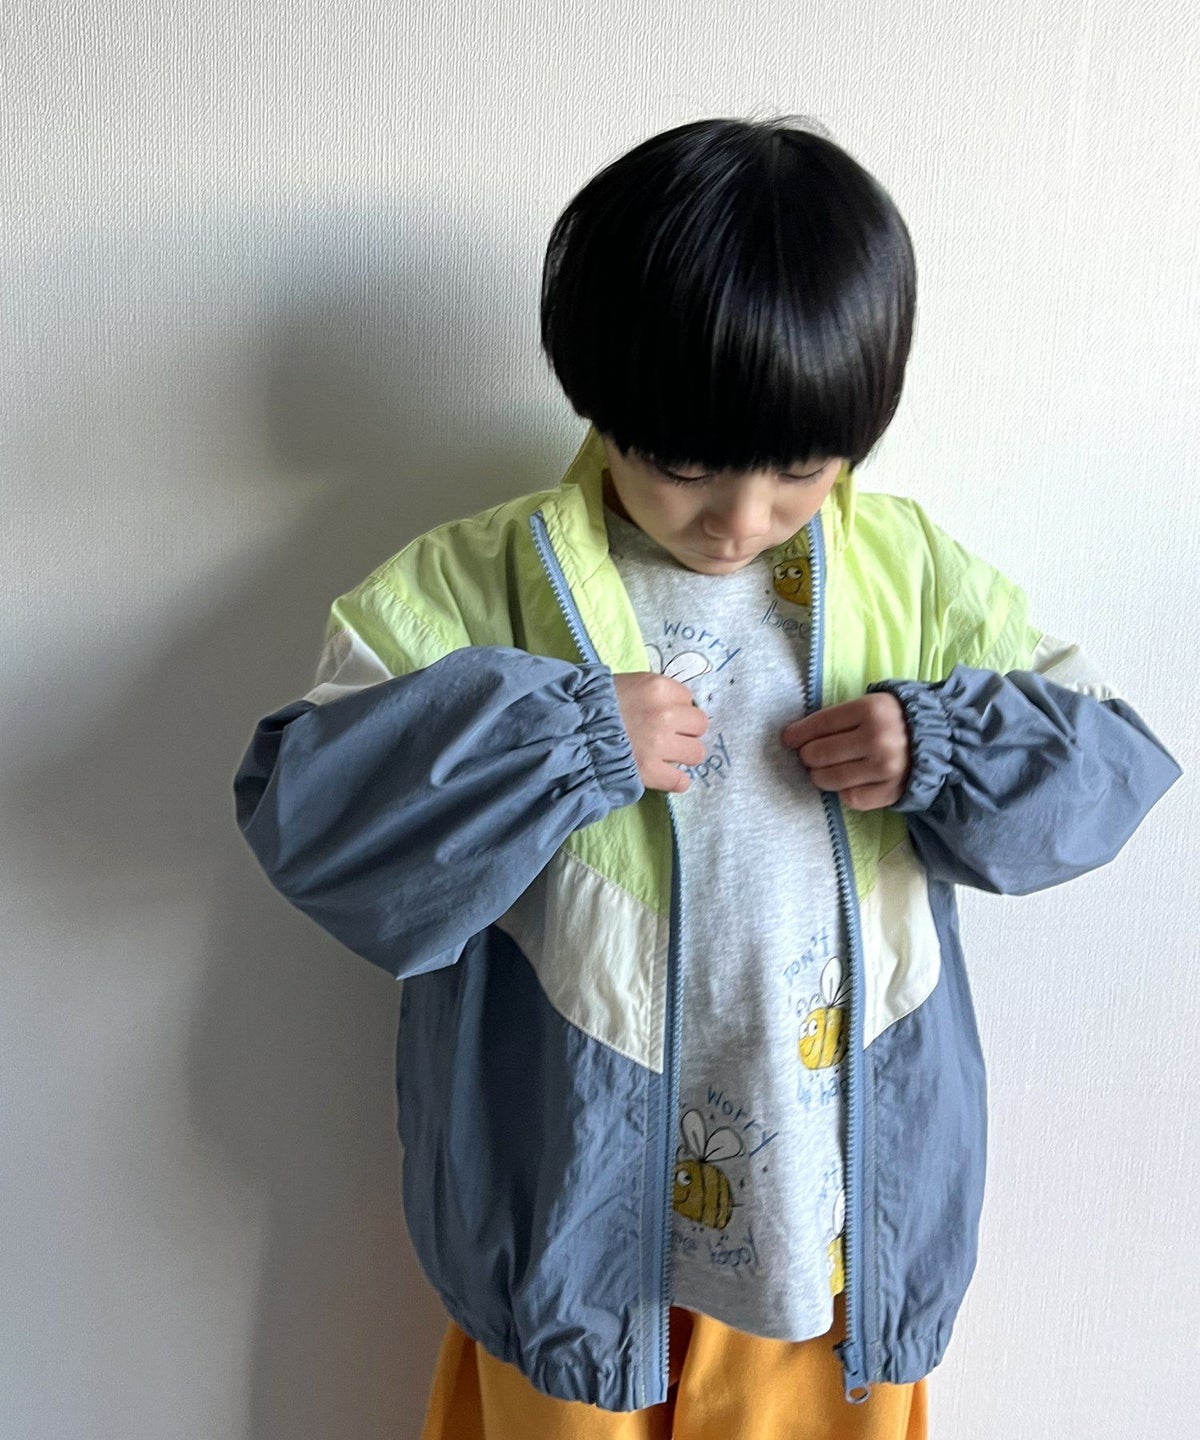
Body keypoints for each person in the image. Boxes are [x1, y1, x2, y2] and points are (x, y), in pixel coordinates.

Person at [232, 116, 1183, 1440]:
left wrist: (943, 747)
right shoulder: (481, 581)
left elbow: (1112, 760)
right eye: (683, 467)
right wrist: (556, 741)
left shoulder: (909, 576)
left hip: (830, 1238)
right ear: (599, 401)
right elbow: (311, 812)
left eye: (801, 470)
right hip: (572, 1227)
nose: (739, 518)